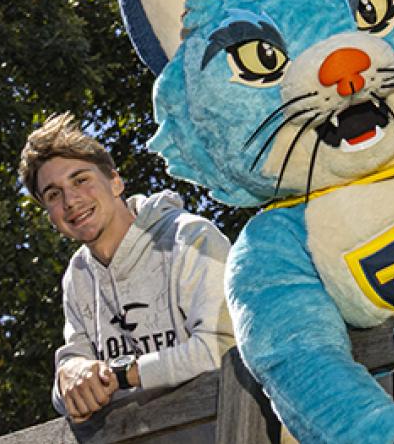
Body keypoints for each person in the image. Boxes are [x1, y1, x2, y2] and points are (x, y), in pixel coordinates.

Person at [20, 113, 235, 423]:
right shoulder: (78, 276)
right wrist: (70, 374)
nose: (70, 200)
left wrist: (122, 373)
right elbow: (71, 377)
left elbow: (225, 346)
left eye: (81, 180)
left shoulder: (189, 237)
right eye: (54, 194)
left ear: (115, 182)